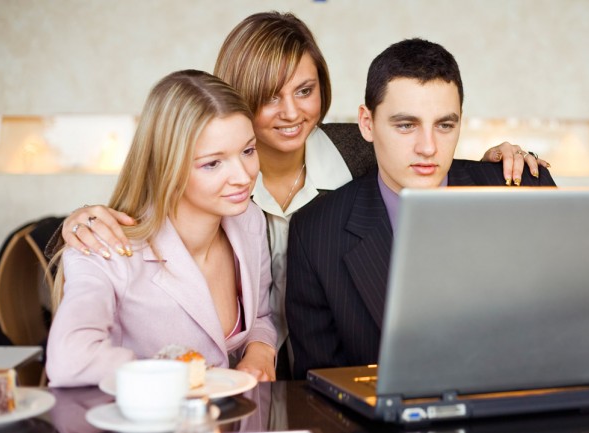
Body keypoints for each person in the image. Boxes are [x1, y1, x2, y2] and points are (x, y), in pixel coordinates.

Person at [54, 12, 548, 378]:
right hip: (277, 379)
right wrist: (80, 218)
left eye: (305, 91)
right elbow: (154, 185)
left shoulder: (358, 147)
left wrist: (498, 162)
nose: (291, 113)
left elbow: (424, 146)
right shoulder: (222, 191)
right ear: (237, 100)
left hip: (273, 375)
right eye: (269, 94)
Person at [285, 38, 557, 379]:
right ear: (366, 124)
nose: (428, 148)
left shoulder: (526, 191)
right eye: (406, 125)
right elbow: (320, 389)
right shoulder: (314, 234)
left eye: (445, 125)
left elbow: (588, 326)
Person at [46, 70, 277, 386]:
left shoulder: (249, 221)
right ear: (167, 166)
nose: (243, 176)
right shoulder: (108, 248)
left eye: (248, 151)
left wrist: (261, 351)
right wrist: (180, 375)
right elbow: (68, 360)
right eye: (213, 163)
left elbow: (262, 316)